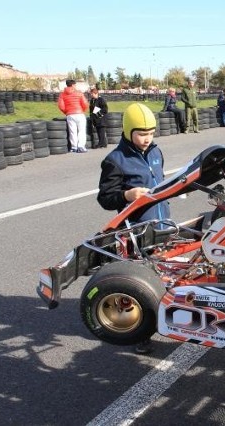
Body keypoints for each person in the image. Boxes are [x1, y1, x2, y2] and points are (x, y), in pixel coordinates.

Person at [97, 102, 170, 355]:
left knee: (165, 276)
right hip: (136, 232)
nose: (147, 139)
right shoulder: (115, 160)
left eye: (150, 133)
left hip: (161, 225)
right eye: (141, 134)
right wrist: (128, 194)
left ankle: (167, 317)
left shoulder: (156, 152)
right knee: (139, 284)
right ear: (128, 132)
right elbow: (105, 198)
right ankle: (139, 332)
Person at [58, 79, 89, 153]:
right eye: (75, 85)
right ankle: (81, 146)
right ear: (72, 85)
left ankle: (74, 147)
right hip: (79, 113)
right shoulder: (79, 93)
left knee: (72, 131)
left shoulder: (62, 94)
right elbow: (85, 104)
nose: (75, 86)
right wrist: (82, 110)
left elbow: (61, 106)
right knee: (81, 131)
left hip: (70, 115)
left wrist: (67, 112)